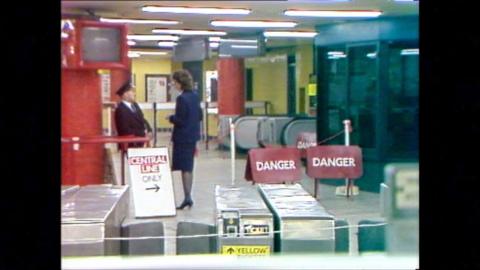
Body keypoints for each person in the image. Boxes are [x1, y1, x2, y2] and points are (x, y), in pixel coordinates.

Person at [167, 70, 202, 210]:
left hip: (182, 137)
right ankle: (188, 195)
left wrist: (171, 118)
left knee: (184, 168)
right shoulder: (194, 96)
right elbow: (199, 116)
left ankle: (187, 197)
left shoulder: (181, 99)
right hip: (192, 136)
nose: (174, 84)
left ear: (180, 83)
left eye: (175, 82)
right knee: (189, 166)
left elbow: (180, 119)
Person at [114, 81, 153, 148]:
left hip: (140, 141)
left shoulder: (135, 105)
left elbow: (142, 119)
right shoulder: (120, 109)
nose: (134, 94)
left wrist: (149, 130)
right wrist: (143, 133)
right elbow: (125, 130)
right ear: (125, 94)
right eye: (132, 91)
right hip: (130, 144)